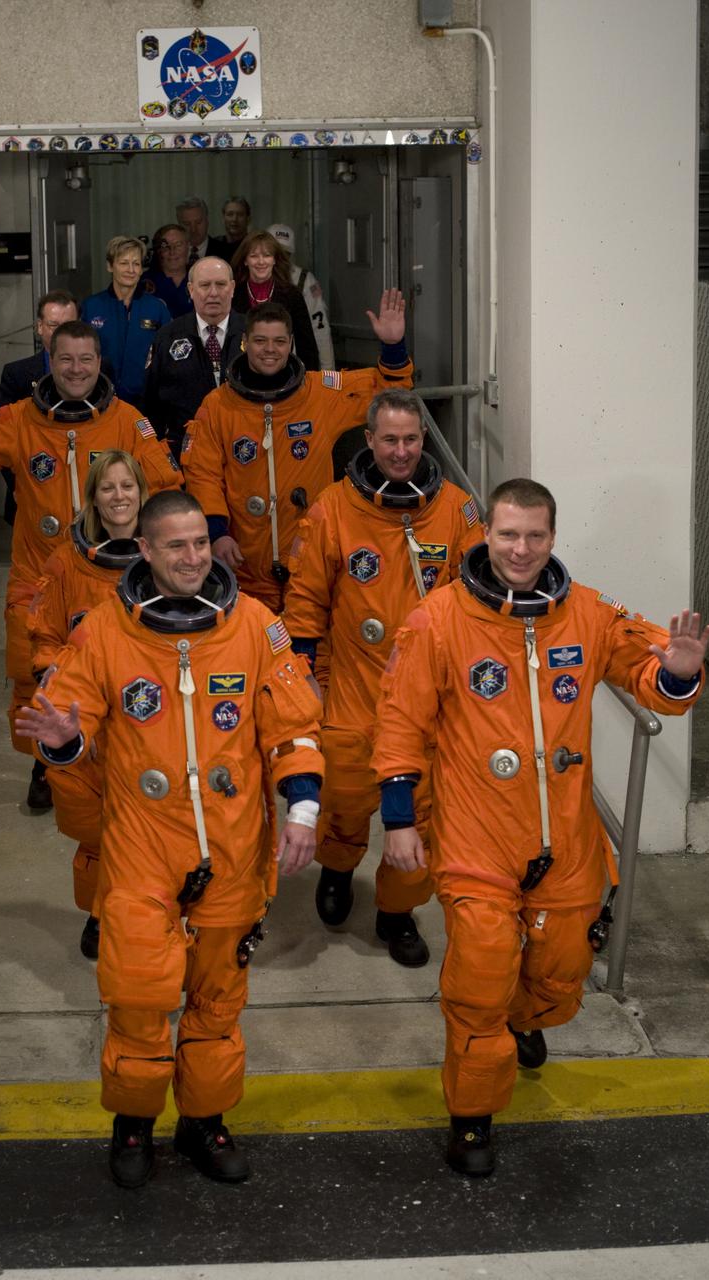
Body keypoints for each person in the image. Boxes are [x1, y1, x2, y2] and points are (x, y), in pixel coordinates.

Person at [371, 478, 709, 1178]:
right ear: (484, 536)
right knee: (479, 979)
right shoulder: (437, 619)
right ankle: (470, 1119)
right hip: (475, 837)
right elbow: (400, 722)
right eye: (506, 535)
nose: (520, 549)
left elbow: (651, 677)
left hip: (564, 841)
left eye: (533, 535)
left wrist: (676, 673)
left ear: (552, 538)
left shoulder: (585, 613)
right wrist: (400, 820)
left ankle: (524, 1019)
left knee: (559, 975)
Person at [15, 490, 324, 1190]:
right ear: (145, 550)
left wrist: (302, 810)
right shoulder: (103, 632)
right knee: (139, 999)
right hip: (141, 854)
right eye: (174, 546)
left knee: (216, 1006)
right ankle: (131, 1125)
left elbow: (294, 727)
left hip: (233, 853)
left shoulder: (253, 626)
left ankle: (204, 1124)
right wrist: (65, 744)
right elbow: (73, 719)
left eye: (197, 543)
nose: (190, 557)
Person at [0, 320, 183, 810]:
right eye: (66, 359)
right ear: (50, 361)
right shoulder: (19, 420)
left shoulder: (125, 420)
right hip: (40, 576)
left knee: (120, 676)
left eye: (86, 360)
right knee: (37, 677)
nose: (76, 370)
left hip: (110, 578)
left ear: (100, 363)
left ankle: (119, 759)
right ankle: (45, 764)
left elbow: (164, 484)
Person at [284, 389, 481, 967]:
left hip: (429, 701)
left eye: (412, 440)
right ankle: (339, 869)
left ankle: (397, 911)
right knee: (343, 800)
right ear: (368, 440)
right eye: (390, 440)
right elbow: (304, 603)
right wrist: (301, 682)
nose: (401, 452)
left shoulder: (455, 509)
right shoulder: (333, 509)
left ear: (425, 440)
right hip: (353, 689)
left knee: (421, 816)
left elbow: (479, 599)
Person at [180, 291, 412, 613]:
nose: (270, 350)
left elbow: (389, 392)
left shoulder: (319, 394)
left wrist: (392, 346)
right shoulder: (218, 406)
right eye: (260, 341)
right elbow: (202, 473)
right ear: (245, 342)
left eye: (278, 341)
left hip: (312, 564)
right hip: (244, 567)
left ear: (291, 343)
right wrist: (216, 532)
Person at [28, 450, 148, 960]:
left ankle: (145, 913)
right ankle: (100, 913)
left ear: (142, 493)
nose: (118, 497)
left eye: (127, 487)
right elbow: (44, 637)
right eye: (108, 488)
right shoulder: (65, 564)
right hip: (87, 720)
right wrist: (60, 673)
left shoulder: (162, 556)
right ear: (92, 497)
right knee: (99, 830)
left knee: (152, 820)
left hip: (147, 712)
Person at [143, 256, 246, 460]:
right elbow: (151, 405)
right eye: (205, 285)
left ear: (232, 288)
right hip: (184, 455)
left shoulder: (254, 333)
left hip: (244, 450)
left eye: (221, 284)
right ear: (191, 289)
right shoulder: (167, 336)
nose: (213, 293)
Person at [0, 290, 80, 526]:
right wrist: (17, 488)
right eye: (54, 325)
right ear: (40, 327)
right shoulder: (16, 375)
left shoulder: (102, 372)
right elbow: (5, 441)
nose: (62, 333)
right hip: (30, 495)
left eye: (70, 325)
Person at [80, 235, 170, 410]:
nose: (131, 270)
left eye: (136, 264)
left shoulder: (157, 308)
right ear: (109, 266)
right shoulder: (91, 307)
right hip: (100, 400)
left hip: (146, 403)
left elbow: (167, 357)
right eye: (123, 263)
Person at [231, 230, 320, 372]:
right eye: (254, 256)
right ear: (245, 260)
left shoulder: (292, 295)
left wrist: (309, 383)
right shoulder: (232, 294)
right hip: (241, 373)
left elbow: (307, 347)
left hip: (283, 373)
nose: (261, 262)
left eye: (267, 255)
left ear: (274, 259)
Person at [267, 223, 335, 370]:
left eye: (285, 254)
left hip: (295, 366)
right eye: (275, 252)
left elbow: (320, 330)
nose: (280, 259)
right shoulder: (252, 279)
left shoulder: (304, 280)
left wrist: (328, 376)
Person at [141, 223, 193, 320]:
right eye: (165, 246)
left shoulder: (200, 279)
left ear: (188, 247)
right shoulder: (144, 282)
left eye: (178, 245)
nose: (172, 251)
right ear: (158, 250)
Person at [176, 196, 228, 266]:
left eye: (198, 222)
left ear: (207, 221)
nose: (193, 229)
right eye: (187, 224)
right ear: (179, 225)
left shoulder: (226, 252)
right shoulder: (171, 255)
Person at [216, 195, 251, 263]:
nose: (234, 219)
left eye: (240, 215)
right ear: (223, 218)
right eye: (230, 214)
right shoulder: (214, 246)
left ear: (248, 219)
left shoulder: (254, 246)